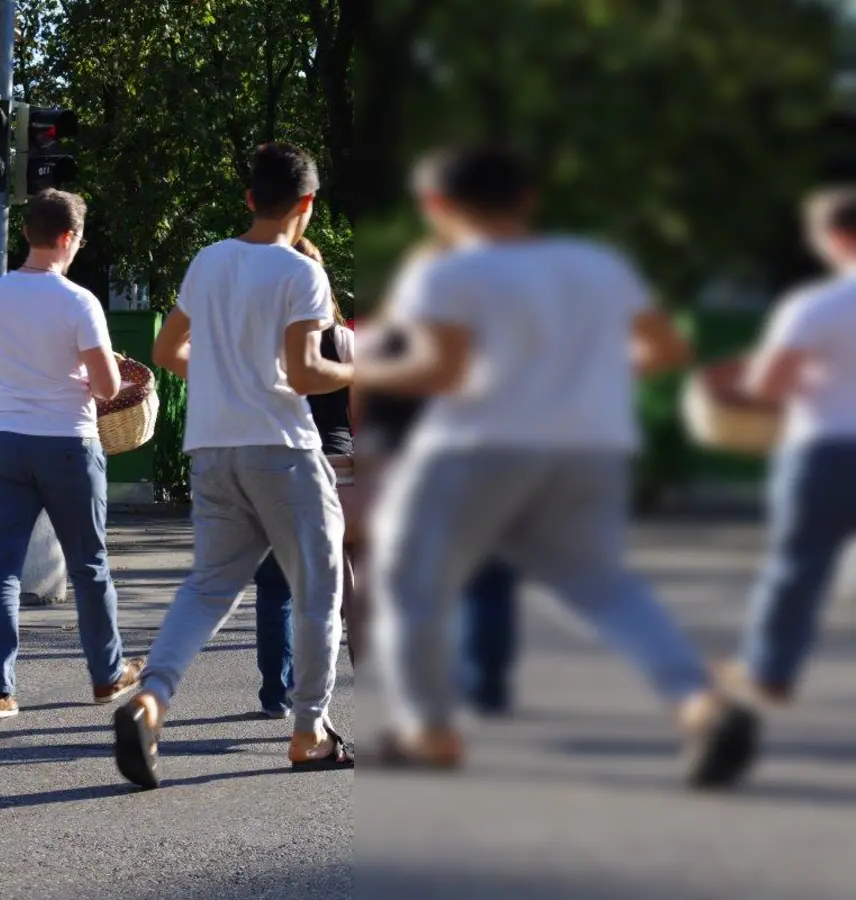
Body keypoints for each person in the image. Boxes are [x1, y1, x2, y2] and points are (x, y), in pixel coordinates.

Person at [359, 143, 759, 788]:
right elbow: (665, 347)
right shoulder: (596, 263)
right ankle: (700, 703)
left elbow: (445, 371)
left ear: (437, 206)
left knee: (413, 582)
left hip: (478, 446)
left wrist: (364, 369)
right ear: (528, 198)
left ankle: (430, 732)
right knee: (604, 585)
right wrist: (583, 379)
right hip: (592, 445)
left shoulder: (447, 273)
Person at [113, 143, 354, 790]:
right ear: (307, 203)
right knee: (317, 593)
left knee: (207, 588)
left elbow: (167, 349)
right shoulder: (301, 273)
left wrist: (224, 375)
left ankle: (150, 700)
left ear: (249, 199)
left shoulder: (208, 260)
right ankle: (308, 731)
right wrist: (361, 368)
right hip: (282, 450)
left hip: (213, 449)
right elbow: (305, 373)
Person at [0, 188, 144, 721]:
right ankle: (107, 677)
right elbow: (108, 387)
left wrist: (17, 371)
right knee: (89, 565)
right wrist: (78, 373)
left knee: (1, 568)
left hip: (8, 442)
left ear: (27, 234)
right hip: (68, 443)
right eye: (80, 239)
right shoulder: (78, 301)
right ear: (67, 238)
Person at [356, 236, 525, 717]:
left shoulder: (391, 337)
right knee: (489, 575)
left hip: (411, 469)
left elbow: (370, 407)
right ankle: (486, 684)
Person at [722, 185, 856, 706]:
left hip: (824, 449)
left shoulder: (816, 304)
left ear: (837, 237)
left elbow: (766, 387)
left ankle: (769, 672)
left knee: (797, 566)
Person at [250, 235, 356, 718]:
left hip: (277, 465)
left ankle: (276, 693)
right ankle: (318, 700)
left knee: (275, 588)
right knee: (332, 593)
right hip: (341, 469)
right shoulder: (345, 341)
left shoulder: (262, 341)